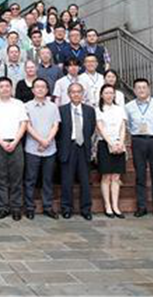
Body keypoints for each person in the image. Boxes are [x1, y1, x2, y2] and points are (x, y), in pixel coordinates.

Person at [125, 78, 153, 221]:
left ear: (149, 89)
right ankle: (141, 207)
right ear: (134, 90)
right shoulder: (129, 106)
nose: (141, 90)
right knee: (140, 175)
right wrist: (135, 133)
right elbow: (128, 125)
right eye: (138, 88)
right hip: (138, 141)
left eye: (144, 87)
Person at [0, 77, 28, 221]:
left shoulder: (18, 104)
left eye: (7, 86)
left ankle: (16, 207)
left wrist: (15, 141)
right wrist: (1, 142)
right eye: (1, 86)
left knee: (17, 177)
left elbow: (23, 124)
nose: (5, 89)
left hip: (16, 143)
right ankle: (3, 207)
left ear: (11, 88)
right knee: (1, 177)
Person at [57, 82, 96, 220]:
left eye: (78, 91)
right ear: (68, 94)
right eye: (73, 92)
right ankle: (66, 208)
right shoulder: (61, 110)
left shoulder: (89, 110)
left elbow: (91, 128)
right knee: (67, 180)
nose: (76, 94)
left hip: (83, 147)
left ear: (82, 94)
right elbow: (58, 131)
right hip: (68, 147)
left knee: (85, 181)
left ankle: (86, 209)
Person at [24, 79, 60, 220]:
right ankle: (29, 207)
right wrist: (41, 140)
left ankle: (47, 207)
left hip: (50, 149)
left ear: (47, 90)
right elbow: (27, 126)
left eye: (43, 87)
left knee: (48, 179)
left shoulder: (53, 107)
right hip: (32, 148)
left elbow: (55, 125)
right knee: (30, 179)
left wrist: (47, 141)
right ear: (33, 90)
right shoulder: (26, 106)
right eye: (37, 87)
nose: (40, 89)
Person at [96, 84, 128, 219]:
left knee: (116, 177)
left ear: (114, 95)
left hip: (119, 144)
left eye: (111, 93)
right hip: (105, 144)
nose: (109, 95)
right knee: (106, 177)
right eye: (106, 93)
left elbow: (123, 127)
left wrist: (120, 142)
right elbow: (100, 128)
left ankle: (115, 206)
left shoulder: (120, 109)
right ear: (101, 95)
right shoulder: (98, 109)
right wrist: (111, 144)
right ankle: (107, 205)